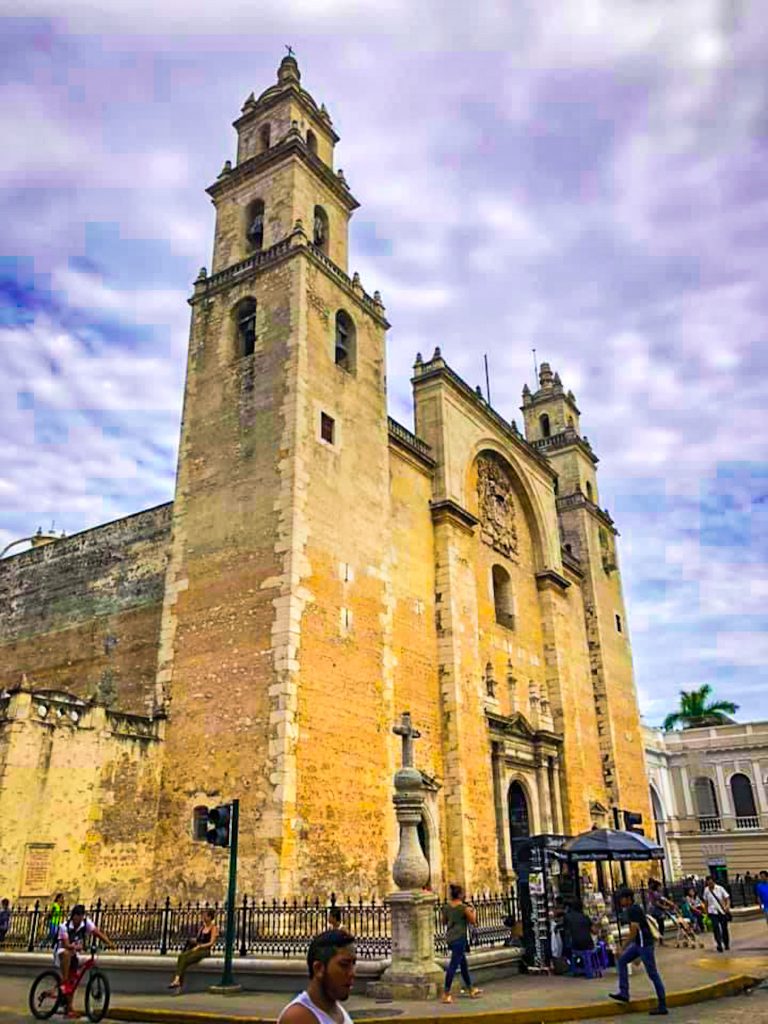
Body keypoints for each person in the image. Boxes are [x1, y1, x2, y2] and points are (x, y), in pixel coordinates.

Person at [609, 888, 667, 1016]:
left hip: (644, 945)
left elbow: (633, 931)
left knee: (653, 974)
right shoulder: (633, 909)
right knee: (622, 961)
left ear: (628, 899)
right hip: (640, 944)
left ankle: (663, 1004)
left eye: (622, 898)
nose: (621, 901)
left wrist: (622, 947)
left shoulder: (633, 910)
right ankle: (624, 993)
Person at [278, 929, 356, 1024]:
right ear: (318, 968)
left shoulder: (337, 1010)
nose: (352, 973)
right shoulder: (298, 1017)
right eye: (344, 964)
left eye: (353, 963)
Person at [54, 904, 113, 1017]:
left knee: (74, 981)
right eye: (78, 917)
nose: (80, 919)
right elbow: (65, 944)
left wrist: (109, 943)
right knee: (67, 955)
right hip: (61, 953)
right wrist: (75, 947)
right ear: (73, 916)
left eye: (82, 916)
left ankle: (69, 1008)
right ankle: (64, 982)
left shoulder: (86, 923)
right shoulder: (64, 926)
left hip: (74, 954)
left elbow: (97, 932)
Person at [440, 884, 482, 1003]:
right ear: (460, 895)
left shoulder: (446, 907)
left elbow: (443, 921)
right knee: (453, 965)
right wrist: (473, 910)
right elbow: (473, 921)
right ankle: (446, 993)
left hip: (450, 937)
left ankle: (471, 988)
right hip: (460, 938)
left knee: (463, 964)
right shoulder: (463, 908)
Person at [168, 909, 218, 990]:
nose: (203, 917)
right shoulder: (202, 927)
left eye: (205, 915)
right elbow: (198, 939)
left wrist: (200, 946)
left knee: (184, 959)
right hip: (196, 948)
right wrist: (192, 941)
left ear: (210, 917)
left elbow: (211, 943)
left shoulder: (214, 928)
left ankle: (178, 982)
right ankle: (177, 981)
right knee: (182, 957)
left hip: (205, 950)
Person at [702, 876, 731, 952]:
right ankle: (719, 944)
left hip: (721, 911)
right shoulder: (706, 890)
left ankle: (726, 943)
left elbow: (727, 898)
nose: (710, 884)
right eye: (708, 883)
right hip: (712, 912)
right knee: (715, 928)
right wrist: (706, 912)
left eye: (711, 882)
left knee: (724, 928)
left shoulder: (720, 888)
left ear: (714, 882)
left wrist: (727, 906)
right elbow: (706, 902)